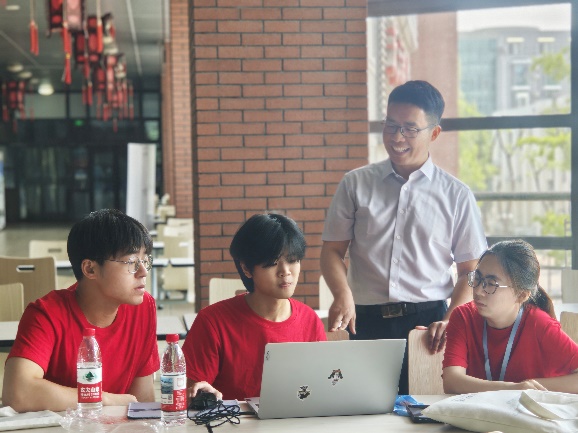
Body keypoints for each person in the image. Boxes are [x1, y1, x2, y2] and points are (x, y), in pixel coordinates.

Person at [320, 80, 487, 394]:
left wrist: (451, 319)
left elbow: (471, 270)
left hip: (428, 327)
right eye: (391, 125)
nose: (397, 137)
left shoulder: (456, 195)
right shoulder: (355, 184)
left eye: (410, 129)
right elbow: (332, 251)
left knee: (426, 410)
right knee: (360, 408)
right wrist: (342, 294)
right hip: (364, 320)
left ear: (434, 133)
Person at [2, 209, 160, 412]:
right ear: (90, 269)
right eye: (131, 262)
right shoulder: (46, 314)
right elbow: (18, 394)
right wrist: (104, 399)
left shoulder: (143, 307)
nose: (143, 272)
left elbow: (142, 402)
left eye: (145, 260)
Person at [183, 213, 327, 401]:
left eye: (293, 260)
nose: (285, 272)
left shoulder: (310, 320)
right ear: (246, 268)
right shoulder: (212, 322)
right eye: (272, 263)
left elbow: (322, 389)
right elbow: (190, 395)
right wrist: (199, 395)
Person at [443, 240, 578, 394]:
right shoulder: (462, 317)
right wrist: (515, 388)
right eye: (477, 278)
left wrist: (532, 387)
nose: (478, 291)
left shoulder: (539, 324)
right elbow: (452, 381)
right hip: (477, 409)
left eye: (491, 283)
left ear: (521, 295)